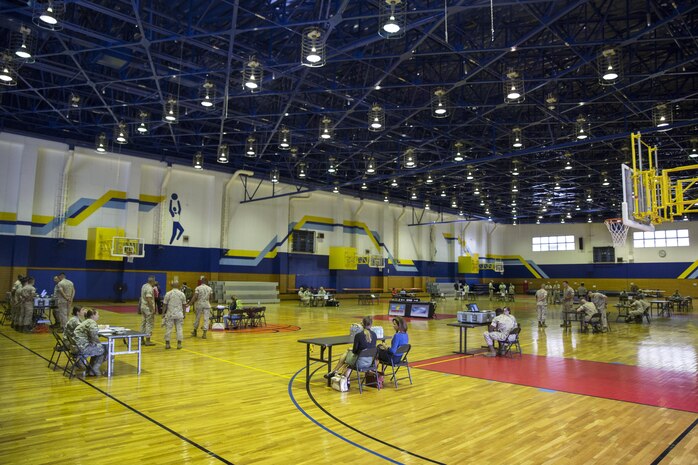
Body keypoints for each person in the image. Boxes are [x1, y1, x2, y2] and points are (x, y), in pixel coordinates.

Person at [73, 309, 105, 376]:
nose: (98, 316)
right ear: (93, 316)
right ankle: (94, 369)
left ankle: (89, 367)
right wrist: (98, 343)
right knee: (103, 350)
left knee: (98, 347)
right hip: (82, 348)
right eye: (97, 314)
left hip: (75, 346)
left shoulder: (86, 321)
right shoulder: (92, 323)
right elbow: (93, 335)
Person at [163, 281, 186, 349]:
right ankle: (179, 344)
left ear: (172, 286)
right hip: (179, 314)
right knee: (179, 329)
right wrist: (184, 314)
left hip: (170, 314)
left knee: (168, 328)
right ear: (178, 286)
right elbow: (184, 305)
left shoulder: (168, 294)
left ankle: (167, 344)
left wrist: (163, 313)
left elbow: (164, 304)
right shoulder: (182, 294)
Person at [139, 276, 157, 346]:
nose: (155, 283)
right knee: (149, 323)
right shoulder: (149, 288)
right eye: (154, 281)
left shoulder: (144, 286)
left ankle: (141, 339)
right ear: (152, 281)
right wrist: (152, 309)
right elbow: (149, 298)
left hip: (143, 306)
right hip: (148, 308)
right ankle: (148, 340)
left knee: (143, 323)